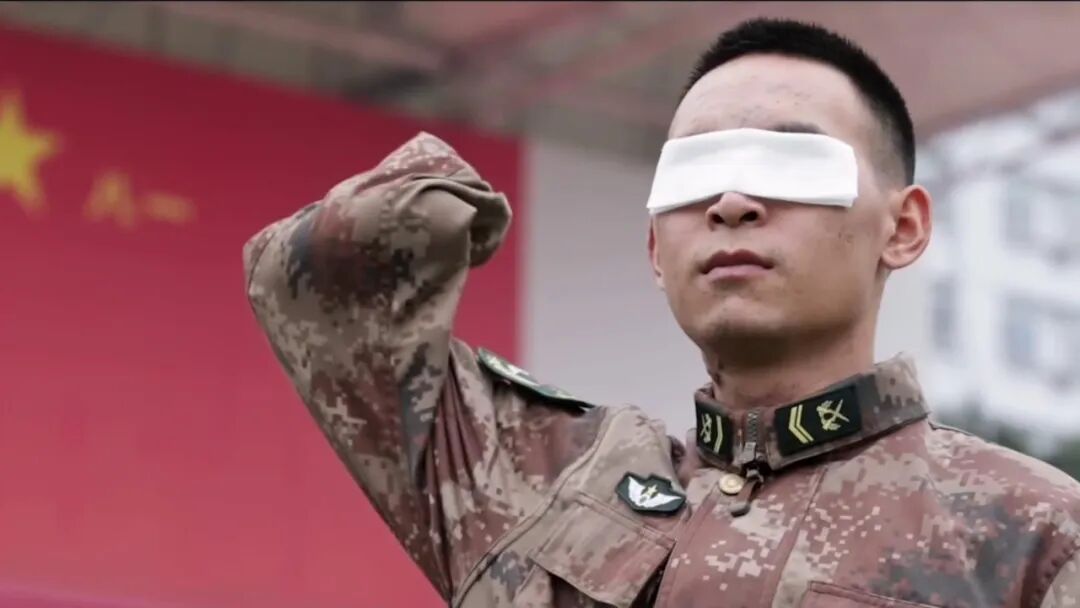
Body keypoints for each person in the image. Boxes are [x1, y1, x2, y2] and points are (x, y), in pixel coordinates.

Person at [243, 17, 1080, 608]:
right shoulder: (539, 480)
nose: (732, 201)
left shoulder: (1031, 531)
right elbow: (314, 292)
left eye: (790, 161)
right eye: (693, 173)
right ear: (654, 248)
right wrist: (453, 198)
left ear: (903, 228)